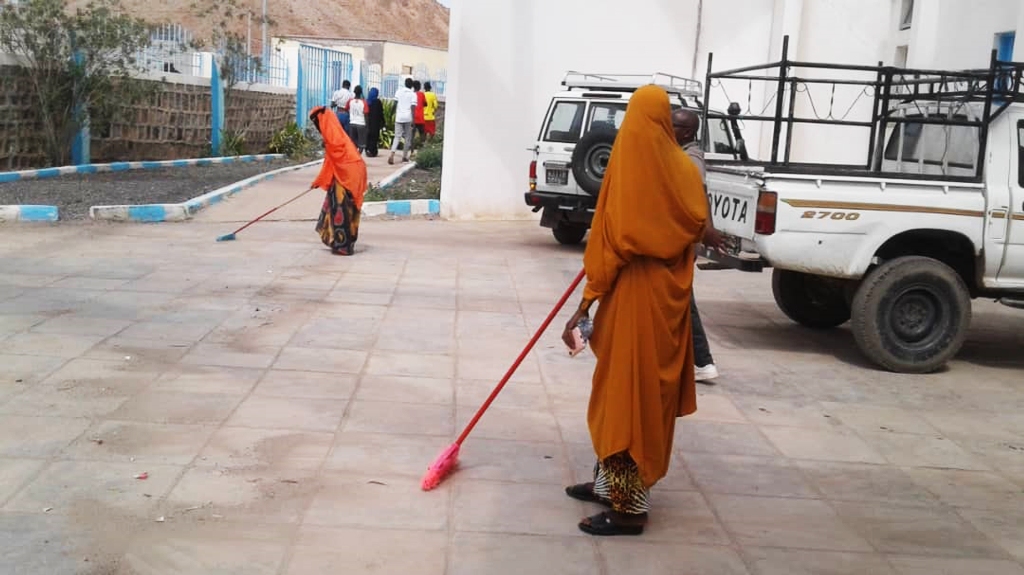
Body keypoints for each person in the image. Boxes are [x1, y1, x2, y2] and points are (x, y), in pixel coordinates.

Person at [561, 85, 708, 536]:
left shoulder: (632, 172)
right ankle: (610, 484)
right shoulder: (683, 170)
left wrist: (582, 306)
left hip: (637, 302)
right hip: (665, 303)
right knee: (629, 399)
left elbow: (612, 250)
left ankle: (629, 509)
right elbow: (698, 225)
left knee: (626, 405)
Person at [672, 108, 725, 383]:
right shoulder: (678, 155)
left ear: (688, 132)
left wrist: (706, 230)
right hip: (682, 240)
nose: (669, 129)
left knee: (682, 301)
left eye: (675, 126)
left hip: (685, 243)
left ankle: (702, 362)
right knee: (678, 301)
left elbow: (699, 194)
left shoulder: (691, 158)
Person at [309, 106, 368, 256]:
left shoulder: (333, 136)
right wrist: (318, 181)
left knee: (341, 207)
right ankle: (336, 240)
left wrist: (319, 180)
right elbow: (330, 162)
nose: (317, 126)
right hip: (348, 172)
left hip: (349, 173)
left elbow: (333, 159)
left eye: (317, 122)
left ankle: (343, 245)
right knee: (336, 204)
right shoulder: (333, 134)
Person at [389, 78, 417, 165]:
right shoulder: (413, 95)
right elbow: (413, 108)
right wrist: (414, 120)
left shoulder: (398, 92)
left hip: (399, 117)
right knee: (407, 138)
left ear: (405, 83)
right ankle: (404, 156)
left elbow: (394, 104)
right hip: (408, 118)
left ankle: (392, 154)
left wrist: (391, 114)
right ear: (412, 85)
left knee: (397, 137)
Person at [364, 87, 384, 158]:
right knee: (374, 137)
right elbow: (381, 113)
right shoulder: (378, 102)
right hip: (375, 123)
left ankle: (367, 149)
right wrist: (383, 122)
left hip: (368, 122)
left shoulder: (367, 102)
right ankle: (372, 151)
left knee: (368, 136)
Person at [348, 85, 368, 154]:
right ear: (361, 92)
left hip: (352, 123)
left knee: (353, 143)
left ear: (354, 92)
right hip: (361, 124)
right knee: (361, 144)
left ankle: (353, 156)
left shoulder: (350, 101)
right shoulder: (364, 102)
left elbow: (347, 109)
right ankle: (358, 156)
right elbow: (366, 114)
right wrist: (367, 126)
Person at [412, 80, 427, 152]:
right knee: (422, 134)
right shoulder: (422, 94)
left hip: (413, 118)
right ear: (419, 86)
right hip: (420, 118)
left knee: (412, 135)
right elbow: (425, 104)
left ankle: (411, 151)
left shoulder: (411, 94)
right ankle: (421, 150)